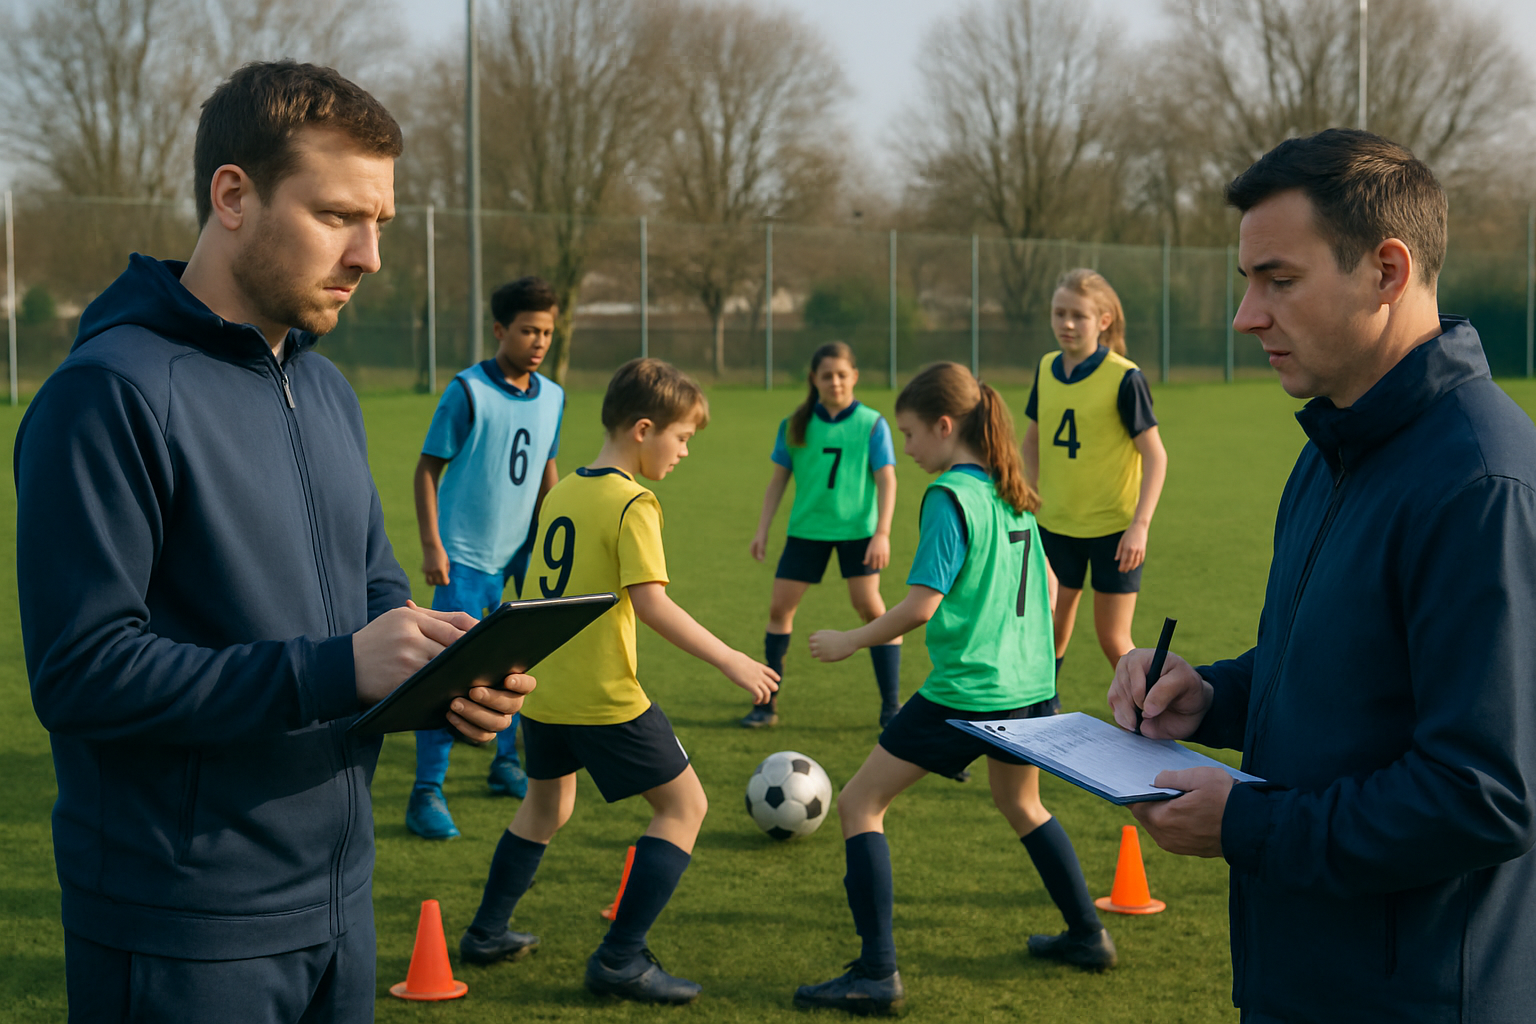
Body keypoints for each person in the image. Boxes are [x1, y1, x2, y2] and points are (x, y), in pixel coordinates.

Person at [14, 62, 531, 1023]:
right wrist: (334, 670)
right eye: (338, 215)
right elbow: (81, 673)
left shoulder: (326, 389)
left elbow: (372, 596)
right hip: (184, 931)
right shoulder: (108, 394)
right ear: (233, 197)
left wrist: (439, 674)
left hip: (338, 909)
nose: (370, 255)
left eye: (380, 220)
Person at [1107, 129, 1536, 1023]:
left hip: (1414, 999)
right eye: (1248, 281)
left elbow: (1482, 795)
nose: (1247, 316)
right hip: (1303, 978)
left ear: (1387, 271)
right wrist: (1211, 696)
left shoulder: (1479, 485)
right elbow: (1345, 670)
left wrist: (1248, 826)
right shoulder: (1332, 449)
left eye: (1280, 280)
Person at [794, 362, 1116, 1017]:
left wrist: (851, 639)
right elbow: (1052, 586)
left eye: (911, 433)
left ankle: (876, 974)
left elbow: (921, 606)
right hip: (1029, 684)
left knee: (859, 804)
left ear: (945, 426)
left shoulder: (949, 496)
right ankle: (1088, 935)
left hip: (969, 691)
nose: (907, 447)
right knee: (1021, 803)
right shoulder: (1011, 489)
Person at [459, 357, 779, 1005]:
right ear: (643, 429)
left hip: (542, 689)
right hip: (603, 696)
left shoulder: (564, 492)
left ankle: (486, 932)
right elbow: (653, 604)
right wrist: (732, 659)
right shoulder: (634, 502)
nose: (684, 451)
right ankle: (620, 959)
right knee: (684, 808)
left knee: (546, 807)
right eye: (682, 437)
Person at [406, 275, 565, 838]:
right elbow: (428, 469)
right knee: (449, 672)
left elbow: (545, 469)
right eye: (528, 330)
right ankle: (426, 792)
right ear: (500, 330)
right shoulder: (468, 390)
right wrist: (433, 544)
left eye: (547, 332)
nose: (539, 341)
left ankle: (505, 764)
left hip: (520, 553)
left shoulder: (554, 397)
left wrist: (550, 539)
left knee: (519, 666)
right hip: (465, 556)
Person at [746, 341, 899, 729]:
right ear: (814, 379)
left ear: (854, 377)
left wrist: (882, 533)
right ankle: (766, 705)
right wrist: (762, 529)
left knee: (870, 609)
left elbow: (887, 480)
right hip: (806, 531)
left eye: (842, 375)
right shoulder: (794, 425)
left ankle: (891, 707)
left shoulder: (872, 423)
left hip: (858, 532)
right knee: (779, 609)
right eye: (827, 376)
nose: (835, 382)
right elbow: (777, 481)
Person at [1023, 269, 1167, 672]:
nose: (1067, 324)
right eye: (1059, 313)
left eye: (1078, 316)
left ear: (1103, 320)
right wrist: (1030, 490)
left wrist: (1140, 526)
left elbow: (1156, 456)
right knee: (1049, 629)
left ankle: (1148, 706)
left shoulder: (1125, 378)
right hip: (1056, 525)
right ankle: (1044, 703)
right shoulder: (1046, 367)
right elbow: (1032, 439)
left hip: (1113, 531)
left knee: (1113, 639)